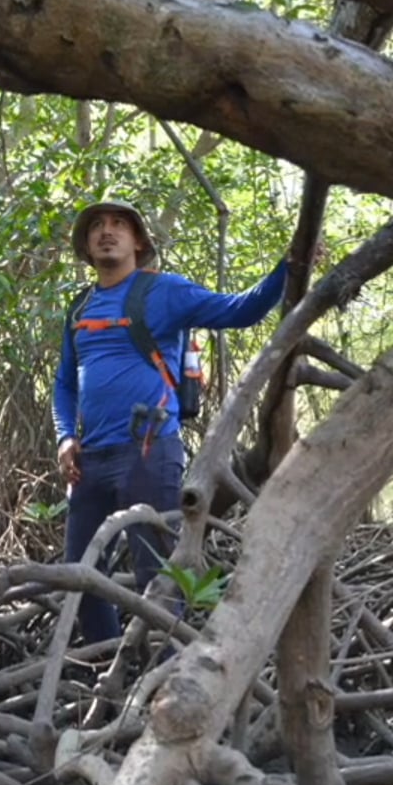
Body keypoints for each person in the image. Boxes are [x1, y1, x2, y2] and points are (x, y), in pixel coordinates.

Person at [53, 200, 289, 642]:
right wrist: (65, 436)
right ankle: (109, 672)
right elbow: (64, 383)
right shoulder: (79, 307)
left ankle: (163, 679)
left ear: (138, 241)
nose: (107, 232)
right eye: (97, 227)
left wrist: (286, 268)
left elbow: (242, 310)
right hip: (90, 459)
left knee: (156, 573)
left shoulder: (166, 292)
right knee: (81, 574)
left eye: (119, 225)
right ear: (86, 245)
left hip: (149, 449)